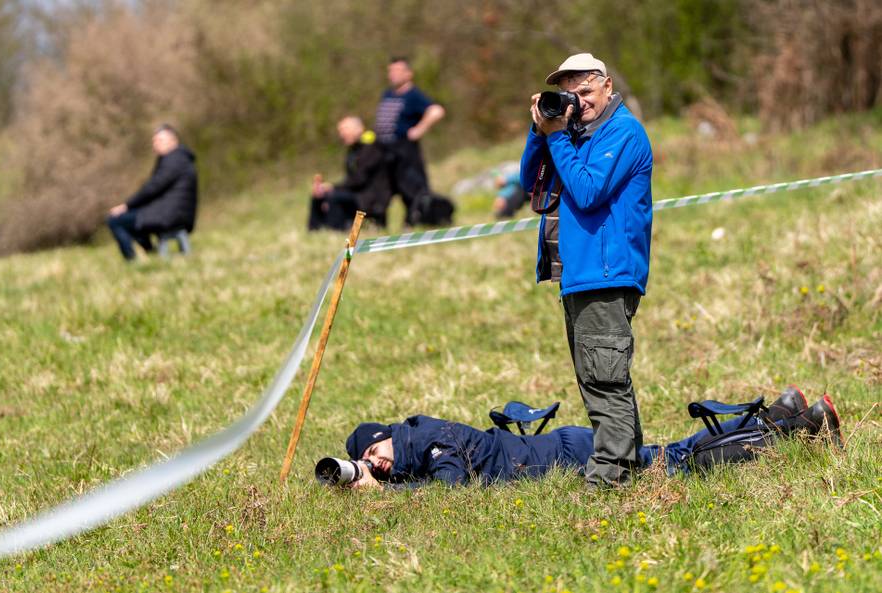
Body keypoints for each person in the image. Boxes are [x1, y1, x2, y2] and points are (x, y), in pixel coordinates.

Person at [520, 53, 654, 487]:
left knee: (604, 378)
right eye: (569, 95)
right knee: (595, 376)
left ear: (608, 86)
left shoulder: (623, 132)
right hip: (579, 274)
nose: (579, 103)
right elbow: (532, 182)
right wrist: (540, 132)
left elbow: (589, 190)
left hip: (607, 273)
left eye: (585, 92)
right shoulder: (574, 134)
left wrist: (558, 138)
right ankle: (628, 465)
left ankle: (609, 477)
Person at [340, 387, 844, 490]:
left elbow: (449, 488)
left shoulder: (428, 438)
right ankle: (786, 416)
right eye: (367, 462)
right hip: (566, 447)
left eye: (372, 453)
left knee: (677, 465)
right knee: (674, 456)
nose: (376, 462)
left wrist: (385, 494)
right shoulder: (413, 450)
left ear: (386, 436)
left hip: (569, 453)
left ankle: (788, 425)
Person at [107, 124, 197, 262]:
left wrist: (127, 206)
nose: (155, 145)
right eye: (154, 141)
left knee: (115, 220)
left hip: (169, 215)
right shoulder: (181, 159)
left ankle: (133, 260)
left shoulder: (173, 160)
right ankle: (149, 251)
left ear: (173, 141)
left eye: (159, 140)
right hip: (174, 213)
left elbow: (152, 188)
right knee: (133, 217)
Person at [374, 56, 446, 226]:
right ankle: (377, 224)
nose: (393, 75)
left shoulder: (413, 95)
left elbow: (436, 111)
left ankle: (418, 222)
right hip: (384, 150)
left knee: (413, 190)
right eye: (390, 71)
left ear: (408, 74)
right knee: (381, 190)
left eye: (397, 71)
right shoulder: (388, 94)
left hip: (404, 151)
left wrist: (420, 129)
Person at [308, 116, 391, 230]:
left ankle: (335, 230)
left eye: (345, 129)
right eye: (340, 131)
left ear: (359, 129)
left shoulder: (372, 148)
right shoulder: (354, 149)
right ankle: (315, 230)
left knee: (333, 196)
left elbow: (359, 179)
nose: (342, 134)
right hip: (356, 194)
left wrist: (333, 187)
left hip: (370, 199)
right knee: (318, 195)